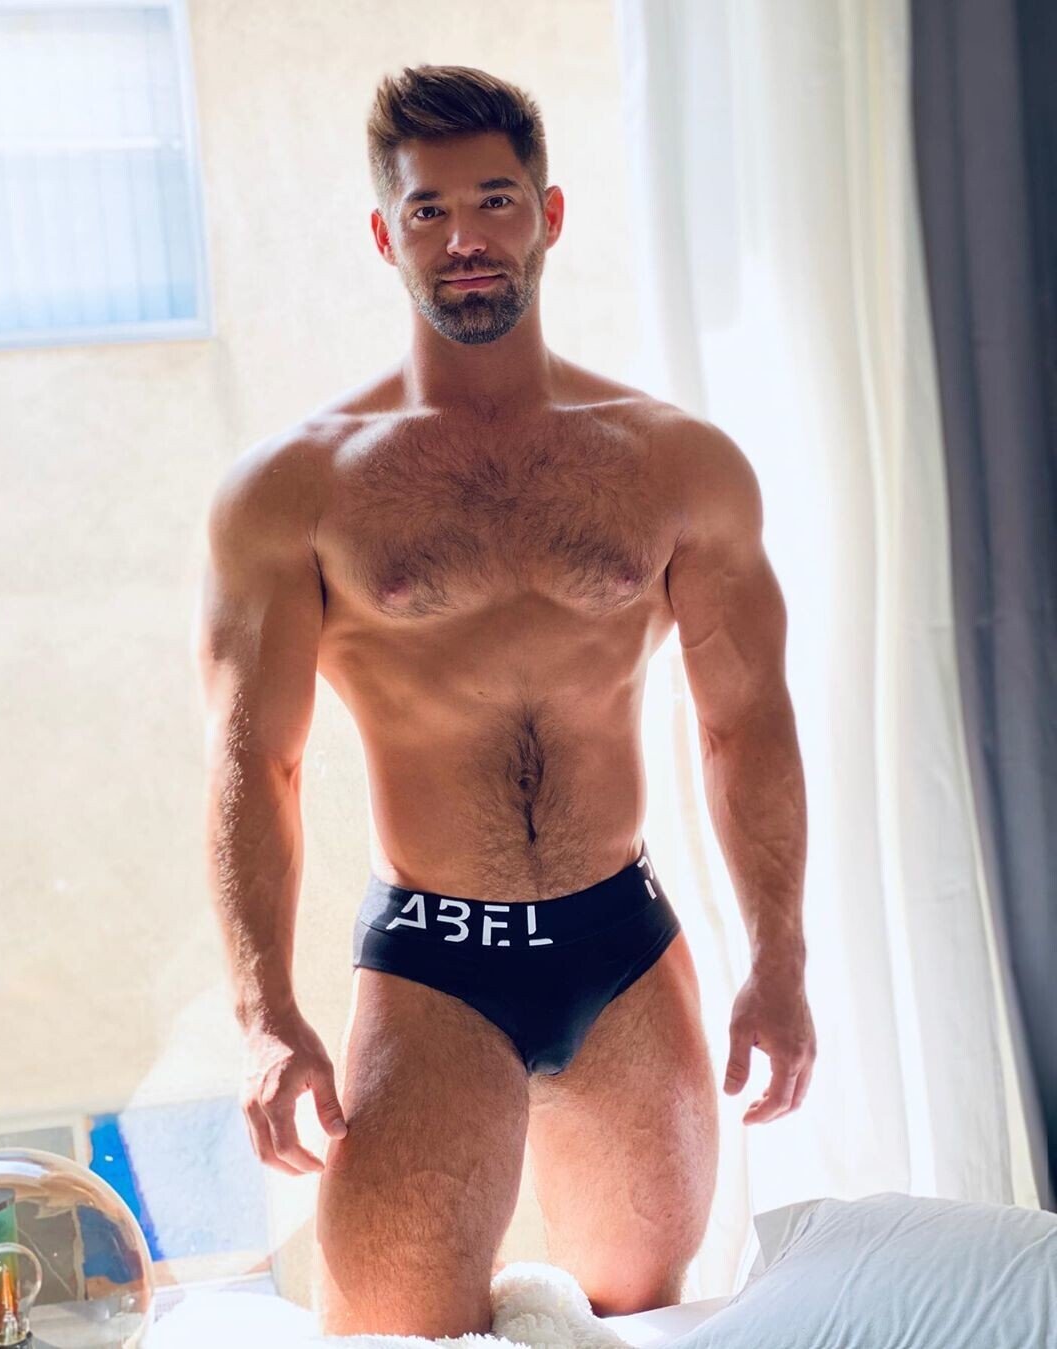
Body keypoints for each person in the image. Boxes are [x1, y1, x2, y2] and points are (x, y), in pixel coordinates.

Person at [195, 63, 816, 1339]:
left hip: (621, 942)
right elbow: (257, 765)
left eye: (495, 200)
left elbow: (744, 722)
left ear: (549, 214)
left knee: (641, 1317)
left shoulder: (675, 464)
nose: (465, 237)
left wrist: (781, 958)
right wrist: (264, 1015)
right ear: (386, 237)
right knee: (393, 1334)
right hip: (434, 961)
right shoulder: (296, 490)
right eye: (428, 210)